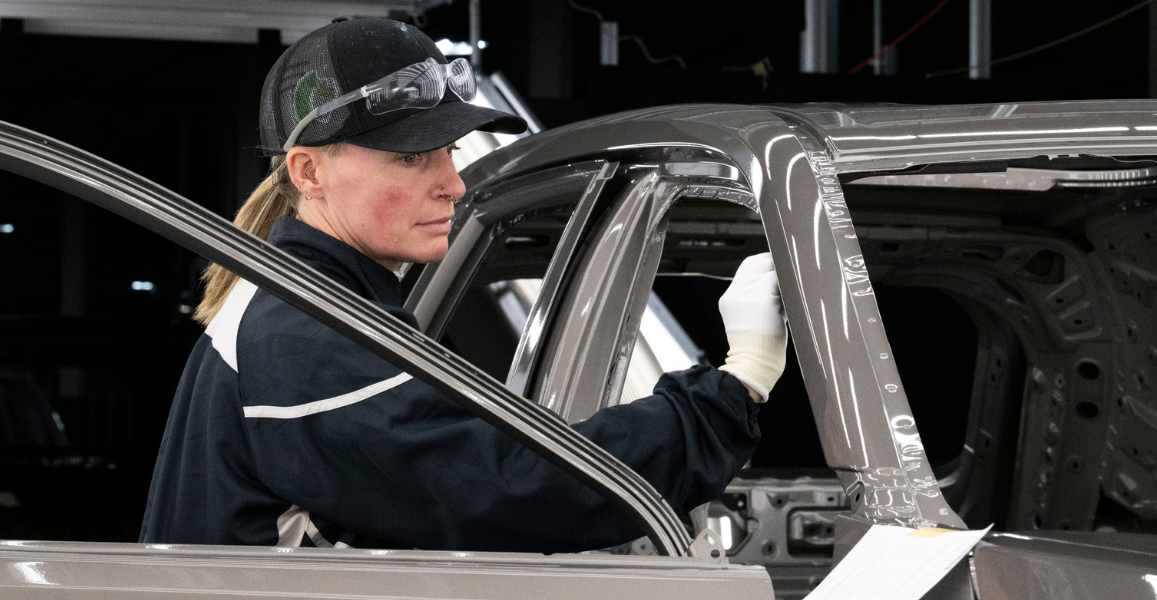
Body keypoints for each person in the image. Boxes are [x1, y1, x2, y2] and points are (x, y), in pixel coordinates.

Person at [139, 17, 786, 552]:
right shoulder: (306, 333)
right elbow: (500, 488)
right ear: (309, 171)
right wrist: (735, 388)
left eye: (450, 152)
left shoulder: (303, 305)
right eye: (411, 157)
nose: (452, 183)